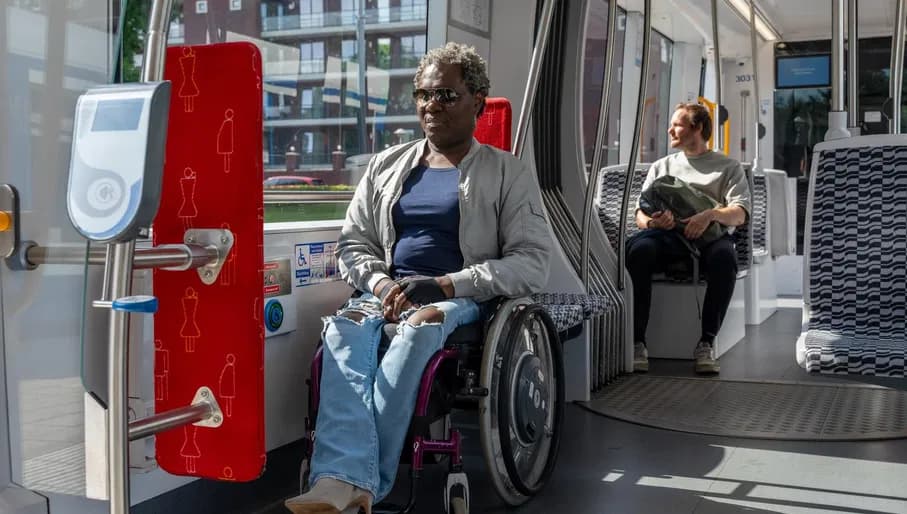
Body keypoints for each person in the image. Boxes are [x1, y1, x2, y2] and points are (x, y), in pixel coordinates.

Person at [284, 42, 552, 514]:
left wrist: (449, 284)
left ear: (479, 101)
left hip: (461, 294)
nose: (432, 105)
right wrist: (383, 284)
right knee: (342, 331)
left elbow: (532, 262)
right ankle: (343, 483)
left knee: (419, 326)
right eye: (423, 95)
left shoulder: (507, 173)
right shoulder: (386, 167)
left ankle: (359, 482)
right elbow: (354, 244)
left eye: (447, 95)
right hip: (388, 290)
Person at [627, 102, 750, 375]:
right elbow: (639, 214)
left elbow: (740, 213)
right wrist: (654, 222)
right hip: (668, 236)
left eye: (677, 125)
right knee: (640, 250)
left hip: (708, 237)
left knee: (724, 258)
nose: (670, 130)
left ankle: (706, 342)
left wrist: (709, 216)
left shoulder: (728, 167)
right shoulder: (662, 166)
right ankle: (637, 342)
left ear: (697, 128)